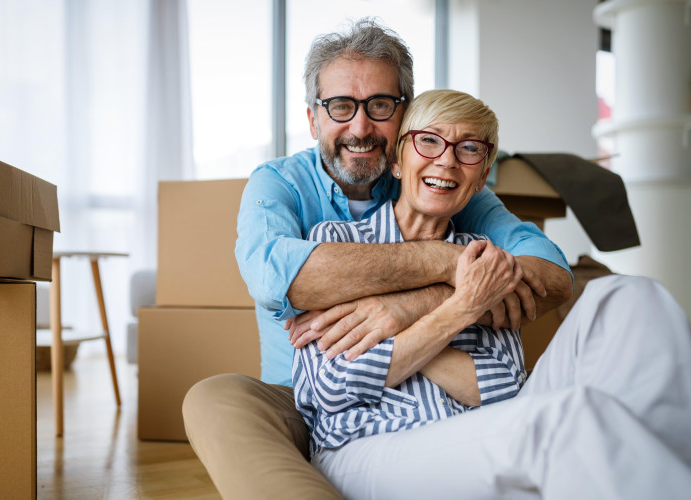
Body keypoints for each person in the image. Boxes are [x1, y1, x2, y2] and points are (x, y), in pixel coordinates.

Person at [183, 19, 572, 499]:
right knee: (213, 399)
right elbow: (275, 280)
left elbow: (550, 276)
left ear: (404, 116)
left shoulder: (438, 179)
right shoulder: (280, 183)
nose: (360, 127)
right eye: (341, 106)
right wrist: (448, 266)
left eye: (380, 105)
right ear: (313, 120)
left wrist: (405, 308)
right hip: (306, 403)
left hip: (449, 412)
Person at [294, 89, 691, 499]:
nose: (447, 160)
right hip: (366, 448)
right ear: (397, 160)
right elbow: (334, 384)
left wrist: (396, 333)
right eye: (428, 140)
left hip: (479, 434)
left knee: (627, 296)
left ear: (482, 178)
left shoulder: (487, 258)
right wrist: (462, 308)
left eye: (469, 149)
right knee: (564, 417)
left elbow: (503, 387)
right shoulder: (336, 242)